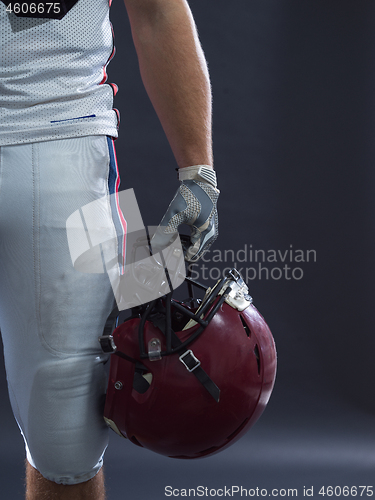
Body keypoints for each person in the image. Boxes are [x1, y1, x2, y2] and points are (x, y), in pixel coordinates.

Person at [0, 0, 218, 499]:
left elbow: (158, 9)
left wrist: (198, 170)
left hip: (63, 143)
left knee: (67, 435)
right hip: (66, 146)